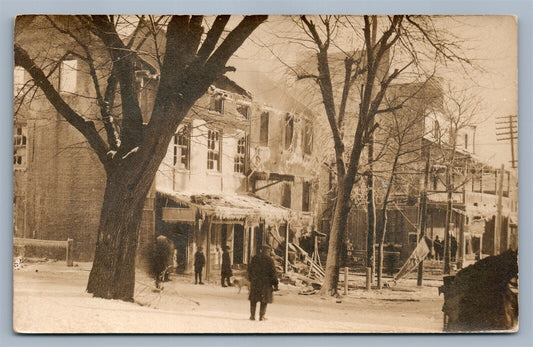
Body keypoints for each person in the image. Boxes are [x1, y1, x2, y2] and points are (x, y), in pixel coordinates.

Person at [248, 245, 278, 321]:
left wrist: (251, 279)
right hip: (266, 283)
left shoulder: (255, 258)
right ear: (268, 251)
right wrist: (275, 284)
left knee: (253, 300)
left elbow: (250, 270)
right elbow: (273, 273)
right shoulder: (270, 260)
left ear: (261, 250)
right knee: (264, 300)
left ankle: (252, 316)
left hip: (255, 282)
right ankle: (261, 316)